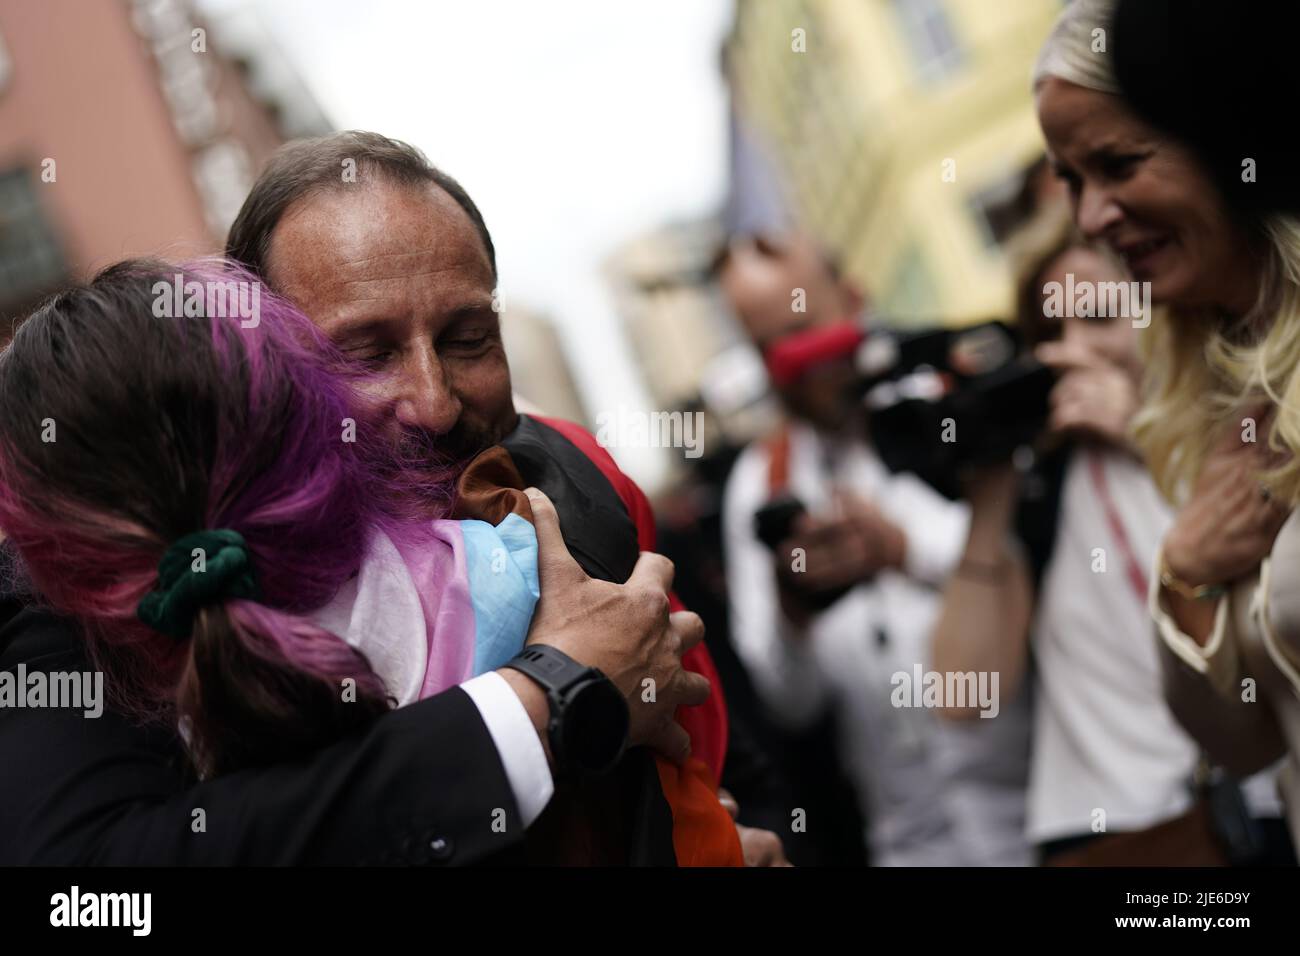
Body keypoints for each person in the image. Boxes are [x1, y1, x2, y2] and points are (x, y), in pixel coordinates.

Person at [0, 178, 716, 869]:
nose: (434, 404)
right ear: (272, 368)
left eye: (469, 338)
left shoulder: (571, 479)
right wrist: (542, 701)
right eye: (364, 353)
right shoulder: (73, 610)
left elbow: (719, 741)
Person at [930, 200, 1286, 864]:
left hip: (1262, 806)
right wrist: (991, 498)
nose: (1070, 347)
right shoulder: (1040, 481)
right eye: (1049, 327)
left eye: (1097, 317)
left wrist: (1150, 437)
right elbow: (960, 694)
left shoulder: (1246, 432)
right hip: (1114, 835)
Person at [1034, 0, 1300, 854]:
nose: (1092, 216)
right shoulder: (1213, 407)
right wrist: (1184, 577)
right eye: (1071, 180)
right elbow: (1249, 740)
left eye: (1118, 163)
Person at [717, 232, 1031, 865]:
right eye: (771, 345)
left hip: (1039, 808)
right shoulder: (761, 481)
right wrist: (795, 611)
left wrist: (903, 551)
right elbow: (789, 701)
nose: (798, 359)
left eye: (803, 325)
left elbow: (1032, 562)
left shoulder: (947, 404)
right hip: (910, 843)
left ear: (853, 297)